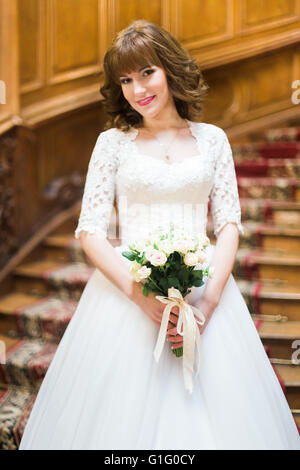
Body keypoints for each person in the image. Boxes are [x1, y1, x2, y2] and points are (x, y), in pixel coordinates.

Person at [19, 20, 300, 450]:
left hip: (204, 288)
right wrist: (142, 298)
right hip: (126, 294)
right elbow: (91, 231)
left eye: (146, 72)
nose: (137, 89)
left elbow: (228, 225)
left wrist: (206, 302)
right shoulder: (111, 143)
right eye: (126, 80)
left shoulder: (214, 140)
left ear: (168, 68)